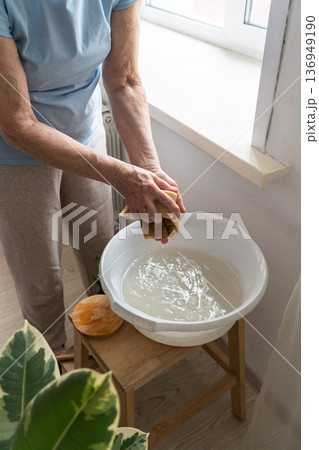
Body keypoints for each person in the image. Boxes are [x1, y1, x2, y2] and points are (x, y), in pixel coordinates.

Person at [0, 0, 185, 353]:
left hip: (85, 134)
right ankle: (52, 365)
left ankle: (109, 352)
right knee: (40, 280)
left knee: (103, 253)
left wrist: (149, 171)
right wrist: (121, 175)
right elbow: (18, 124)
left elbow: (125, 80)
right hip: (14, 153)